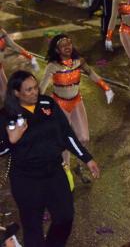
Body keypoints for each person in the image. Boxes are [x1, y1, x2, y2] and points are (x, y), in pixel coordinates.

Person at [0, 70, 100, 247]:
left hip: (54, 172)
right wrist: (10, 141)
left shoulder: (48, 103)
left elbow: (66, 134)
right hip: (26, 180)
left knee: (65, 217)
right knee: (33, 229)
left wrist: (87, 158)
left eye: (35, 87)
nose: (35, 92)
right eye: (28, 90)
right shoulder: (7, 115)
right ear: (16, 93)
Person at [39, 34, 114, 182]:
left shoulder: (78, 61)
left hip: (76, 101)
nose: (67, 47)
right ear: (57, 49)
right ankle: (65, 172)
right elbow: (41, 88)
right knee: (64, 141)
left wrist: (106, 88)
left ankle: (79, 166)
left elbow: (92, 73)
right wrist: (38, 106)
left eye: (69, 43)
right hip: (60, 105)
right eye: (63, 45)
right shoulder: (53, 66)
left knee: (84, 138)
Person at [0, 26, 39, 102]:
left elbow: (13, 45)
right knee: (5, 91)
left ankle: (8, 110)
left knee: (6, 90)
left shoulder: (2, 32)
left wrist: (30, 57)